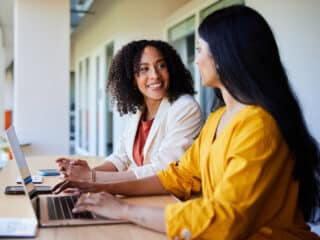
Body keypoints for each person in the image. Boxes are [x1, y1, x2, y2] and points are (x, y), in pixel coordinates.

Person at [53, 6, 320, 240]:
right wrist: (95, 183)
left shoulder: (259, 126)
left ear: (226, 56)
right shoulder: (218, 118)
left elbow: (226, 221)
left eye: (201, 50)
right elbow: (178, 175)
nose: (196, 60)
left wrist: (123, 209)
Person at [57, 40, 202, 183]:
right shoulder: (138, 110)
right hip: (143, 196)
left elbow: (163, 170)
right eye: (144, 69)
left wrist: (92, 178)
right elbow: (120, 158)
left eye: (161, 65)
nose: (155, 75)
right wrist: (84, 175)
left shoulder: (185, 108)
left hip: (171, 201)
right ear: (131, 78)